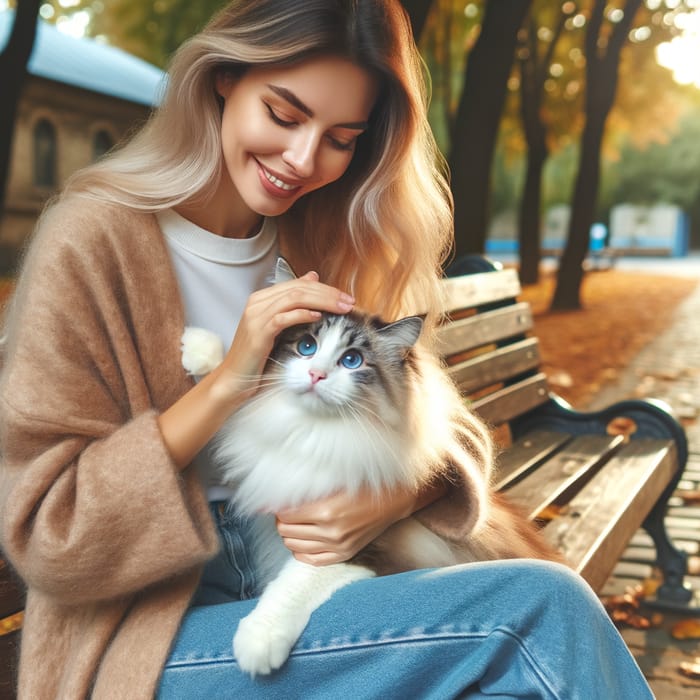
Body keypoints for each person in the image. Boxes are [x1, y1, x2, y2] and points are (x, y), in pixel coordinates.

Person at [0, 1, 653, 698]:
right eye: (283, 115)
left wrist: (394, 496)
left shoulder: (327, 237)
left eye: (341, 137)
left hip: (330, 585)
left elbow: (447, 429)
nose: (303, 160)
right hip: (146, 632)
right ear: (224, 77)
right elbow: (48, 532)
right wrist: (225, 382)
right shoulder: (93, 241)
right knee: (537, 616)